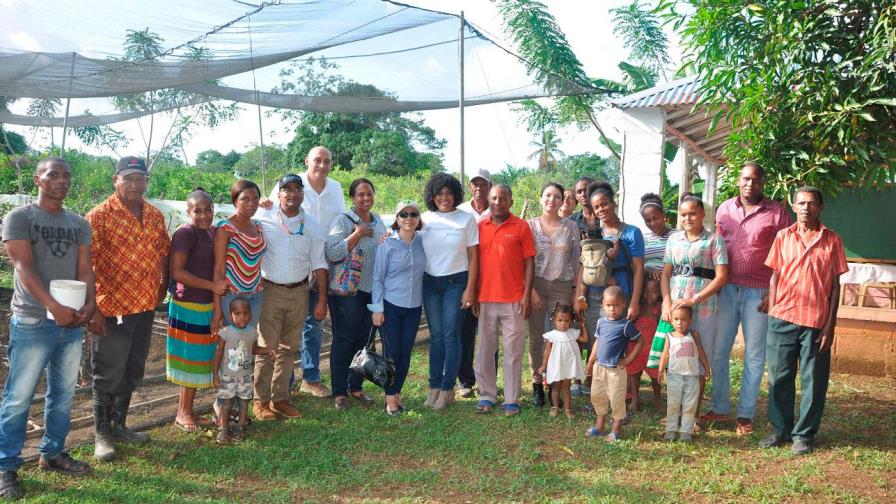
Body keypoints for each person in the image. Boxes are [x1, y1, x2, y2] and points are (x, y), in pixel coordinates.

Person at [0, 158, 94, 499]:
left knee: (63, 393)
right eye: (54, 174)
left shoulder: (79, 223)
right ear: (39, 179)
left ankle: (52, 452)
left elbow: (86, 269)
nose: (61, 180)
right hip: (33, 320)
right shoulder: (20, 218)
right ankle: (6, 466)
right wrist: (53, 307)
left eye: (67, 175)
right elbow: (23, 267)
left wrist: (89, 304)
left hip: (71, 323)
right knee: (18, 397)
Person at [87, 156, 170, 461]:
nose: (136, 185)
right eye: (129, 178)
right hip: (112, 308)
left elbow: (163, 252)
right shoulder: (99, 216)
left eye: (141, 179)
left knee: (133, 369)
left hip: (145, 306)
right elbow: (87, 265)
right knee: (107, 373)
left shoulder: (154, 214)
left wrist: (162, 288)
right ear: (116, 180)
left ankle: (119, 424)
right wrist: (92, 308)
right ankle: (102, 434)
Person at [760, 187, 847, 456]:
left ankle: (804, 435)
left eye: (810, 203)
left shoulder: (832, 240)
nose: (805, 208)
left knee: (814, 380)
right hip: (782, 318)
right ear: (793, 206)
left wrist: (830, 325)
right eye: (800, 203)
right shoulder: (782, 237)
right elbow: (774, 275)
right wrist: (773, 306)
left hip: (815, 322)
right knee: (779, 377)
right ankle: (780, 429)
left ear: (820, 207)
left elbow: (835, 285)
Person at [711, 163, 793, 435]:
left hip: (759, 292)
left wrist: (775, 290)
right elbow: (716, 247)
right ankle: (720, 408)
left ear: (763, 183)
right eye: (745, 179)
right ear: (738, 180)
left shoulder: (777, 212)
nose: (750, 184)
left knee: (754, 355)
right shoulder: (724, 209)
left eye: (755, 180)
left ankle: (745, 414)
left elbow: (787, 253)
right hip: (725, 289)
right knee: (719, 351)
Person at [266, 146, 344, 398]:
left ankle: (310, 377)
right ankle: (283, 382)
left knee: (314, 322)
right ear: (306, 161)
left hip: (321, 264)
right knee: (286, 328)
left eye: (327, 162)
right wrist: (262, 202)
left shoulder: (336, 188)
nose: (322, 166)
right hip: (292, 267)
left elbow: (339, 223)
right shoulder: (293, 185)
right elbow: (269, 212)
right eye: (317, 161)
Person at [255, 174, 327, 420]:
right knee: (266, 348)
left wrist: (322, 301)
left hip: (300, 292)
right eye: (287, 189)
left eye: (297, 189)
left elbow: (319, 264)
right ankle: (260, 401)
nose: (292, 193)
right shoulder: (263, 217)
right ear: (278, 193)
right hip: (270, 290)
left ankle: (280, 399)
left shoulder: (312, 225)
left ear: (302, 194)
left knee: (288, 349)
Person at [574, 182, 645, 402]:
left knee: (618, 344)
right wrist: (579, 295)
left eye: (605, 204)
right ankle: (597, 391)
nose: (601, 209)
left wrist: (634, 302)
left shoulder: (632, 233)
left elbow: (638, 269)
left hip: (621, 295)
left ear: (613, 203)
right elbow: (585, 267)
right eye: (597, 207)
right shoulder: (593, 232)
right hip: (595, 295)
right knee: (598, 342)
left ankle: (620, 395)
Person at [661, 194, 729, 419]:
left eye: (692, 213)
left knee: (699, 359)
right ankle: (674, 412)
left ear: (702, 214)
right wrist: (667, 303)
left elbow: (721, 277)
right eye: (683, 214)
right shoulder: (673, 240)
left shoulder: (713, 240)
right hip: (676, 310)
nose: (687, 218)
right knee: (676, 356)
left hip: (704, 308)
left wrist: (695, 299)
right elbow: (666, 274)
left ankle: (693, 414)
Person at [168, 188, 228, 432]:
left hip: (204, 303)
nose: (204, 215)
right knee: (189, 360)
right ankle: (183, 413)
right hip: (188, 304)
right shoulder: (185, 234)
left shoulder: (211, 233)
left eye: (208, 210)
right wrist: (212, 285)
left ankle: (188, 411)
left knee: (198, 358)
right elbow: (177, 272)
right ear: (188, 212)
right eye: (197, 211)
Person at [473, 184, 535, 417]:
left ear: (511, 200)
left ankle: (511, 398)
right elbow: (473, 263)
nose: (498, 203)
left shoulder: (521, 226)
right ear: (488, 200)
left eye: (502, 198)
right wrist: (474, 294)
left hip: (514, 300)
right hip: (486, 298)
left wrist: (527, 294)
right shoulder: (479, 226)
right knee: (485, 350)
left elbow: (529, 262)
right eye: (494, 198)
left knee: (513, 351)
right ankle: (487, 394)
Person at [325, 178, 387, 411]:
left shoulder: (379, 221)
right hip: (347, 292)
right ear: (353, 197)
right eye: (360, 194)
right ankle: (339, 391)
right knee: (344, 340)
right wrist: (357, 234)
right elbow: (331, 252)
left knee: (365, 340)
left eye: (369, 193)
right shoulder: (343, 220)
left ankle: (356, 385)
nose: (365, 198)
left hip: (371, 292)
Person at [420, 173, 478, 411]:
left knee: (450, 335)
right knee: (436, 336)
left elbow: (474, 257)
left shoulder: (466, 219)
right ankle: (434, 387)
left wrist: (470, 290)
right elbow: (403, 235)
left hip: (456, 282)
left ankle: (447, 390)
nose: (444, 198)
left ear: (455, 194)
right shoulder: (424, 219)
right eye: (439, 193)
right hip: (431, 283)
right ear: (432, 196)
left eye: (448, 192)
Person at [212, 180, 268, 419]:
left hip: (254, 295)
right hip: (232, 296)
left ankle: (238, 399)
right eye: (245, 199)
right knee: (230, 351)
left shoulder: (259, 227)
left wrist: (258, 280)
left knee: (245, 350)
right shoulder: (225, 228)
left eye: (255, 199)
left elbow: (257, 259)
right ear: (235, 201)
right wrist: (217, 309)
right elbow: (218, 269)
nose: (251, 204)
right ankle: (222, 403)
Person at [369, 201, 426, 415]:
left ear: (419, 218)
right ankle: (390, 399)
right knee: (392, 354)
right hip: (391, 307)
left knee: (406, 353)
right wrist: (377, 309)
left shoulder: (423, 241)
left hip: (413, 307)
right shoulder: (388, 244)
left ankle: (397, 391)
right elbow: (377, 278)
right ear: (397, 219)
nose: (408, 218)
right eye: (403, 214)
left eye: (413, 214)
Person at [527, 182, 580, 406]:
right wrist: (530, 290)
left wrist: (576, 291)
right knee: (537, 336)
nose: (551, 199)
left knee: (561, 336)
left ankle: (557, 383)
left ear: (562, 201)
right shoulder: (529, 226)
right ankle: (537, 382)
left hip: (562, 286)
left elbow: (578, 260)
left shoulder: (570, 228)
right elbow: (523, 261)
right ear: (541, 198)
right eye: (547, 195)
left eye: (556, 196)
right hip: (536, 284)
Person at [584, 286, 643, 442]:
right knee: (597, 396)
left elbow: (640, 341)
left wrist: (629, 359)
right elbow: (597, 342)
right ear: (603, 304)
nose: (612, 309)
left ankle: (616, 429)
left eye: (616, 305)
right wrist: (590, 362)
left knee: (616, 399)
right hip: (599, 367)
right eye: (609, 305)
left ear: (623, 305)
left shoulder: (625, 325)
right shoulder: (601, 322)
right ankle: (599, 426)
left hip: (615, 370)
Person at [213, 297, 275, 443]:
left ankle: (241, 428)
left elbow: (253, 349)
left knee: (243, 402)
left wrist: (267, 350)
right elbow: (218, 353)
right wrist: (215, 374)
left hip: (245, 376)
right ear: (230, 315)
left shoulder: (252, 332)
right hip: (228, 375)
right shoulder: (225, 332)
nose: (242, 317)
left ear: (251, 315)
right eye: (238, 313)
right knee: (226, 403)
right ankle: (224, 429)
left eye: (246, 313)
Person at [456, 168, 491, 398]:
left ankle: (487, 381)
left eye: (483, 184)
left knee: (488, 335)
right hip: (465, 280)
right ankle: (466, 380)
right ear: (470, 187)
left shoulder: (497, 210)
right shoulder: (460, 212)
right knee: (465, 333)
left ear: (489, 186)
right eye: (474, 184)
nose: (478, 188)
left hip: (490, 282)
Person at [657, 305, 711, 442]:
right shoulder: (669, 336)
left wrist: (707, 367)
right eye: (676, 319)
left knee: (689, 405)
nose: (680, 323)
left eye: (683, 319)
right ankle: (671, 430)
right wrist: (660, 369)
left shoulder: (694, 335)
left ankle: (686, 432)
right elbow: (665, 354)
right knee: (673, 404)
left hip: (692, 378)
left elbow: (700, 352)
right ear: (671, 321)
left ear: (690, 321)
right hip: (674, 377)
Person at [537, 304, 587, 418]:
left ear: (571, 321)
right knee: (555, 387)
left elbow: (585, 339)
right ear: (553, 320)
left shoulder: (572, 333)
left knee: (566, 387)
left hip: (568, 365)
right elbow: (547, 351)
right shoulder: (551, 335)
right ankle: (554, 407)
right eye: (560, 320)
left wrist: (583, 326)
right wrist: (544, 365)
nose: (563, 323)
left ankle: (568, 409)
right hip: (556, 365)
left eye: (566, 320)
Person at [626, 276, 663, 412]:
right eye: (646, 291)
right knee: (634, 374)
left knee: (655, 376)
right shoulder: (637, 307)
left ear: (660, 292)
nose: (649, 295)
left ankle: (658, 399)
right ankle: (635, 400)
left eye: (654, 291)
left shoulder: (660, 308)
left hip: (653, 348)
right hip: (635, 347)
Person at [639, 193, 673, 280]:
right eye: (648, 220)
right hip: (647, 281)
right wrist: (648, 271)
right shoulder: (642, 240)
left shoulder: (678, 237)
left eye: (656, 218)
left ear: (664, 215)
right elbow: (635, 266)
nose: (653, 223)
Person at [567, 176, 600, 240]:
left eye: (587, 190)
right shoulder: (571, 221)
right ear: (576, 196)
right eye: (579, 192)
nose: (583, 194)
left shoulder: (606, 218)